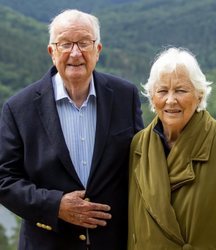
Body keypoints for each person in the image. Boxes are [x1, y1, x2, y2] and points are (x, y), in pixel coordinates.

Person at [0, 9, 144, 250]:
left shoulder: (125, 96)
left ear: (97, 50)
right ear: (51, 51)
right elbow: (4, 179)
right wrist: (55, 205)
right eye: (65, 44)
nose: (75, 53)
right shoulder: (18, 108)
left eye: (84, 43)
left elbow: (142, 163)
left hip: (115, 242)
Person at [128, 47, 216, 249]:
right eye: (162, 91)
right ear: (151, 97)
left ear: (200, 95)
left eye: (181, 90)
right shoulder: (138, 146)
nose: (170, 100)